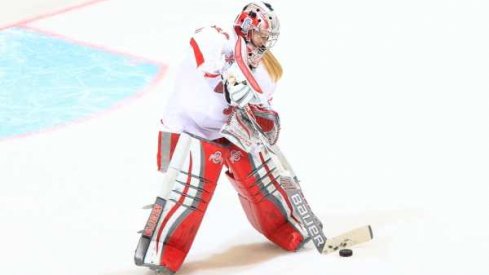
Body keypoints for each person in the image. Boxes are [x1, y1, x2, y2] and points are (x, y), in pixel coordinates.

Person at [135, 2, 310, 273]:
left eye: (268, 37)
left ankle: (285, 226)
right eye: (262, 35)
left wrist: (259, 120)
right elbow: (202, 51)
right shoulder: (216, 37)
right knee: (189, 192)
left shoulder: (265, 73)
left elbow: (261, 113)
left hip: (227, 131)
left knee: (261, 180)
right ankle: (162, 250)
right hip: (187, 127)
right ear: (247, 27)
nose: (265, 42)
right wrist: (229, 78)